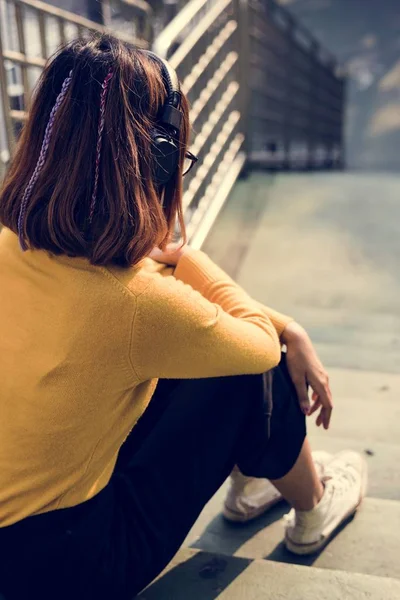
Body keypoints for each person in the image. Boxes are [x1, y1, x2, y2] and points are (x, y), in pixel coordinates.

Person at [0, 34, 367, 600]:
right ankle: (313, 508)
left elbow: (167, 308)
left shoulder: (14, 243)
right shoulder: (132, 304)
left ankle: (253, 479)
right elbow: (260, 350)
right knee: (250, 370)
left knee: (208, 346)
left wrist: (281, 324)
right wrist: (204, 266)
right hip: (70, 568)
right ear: (159, 156)